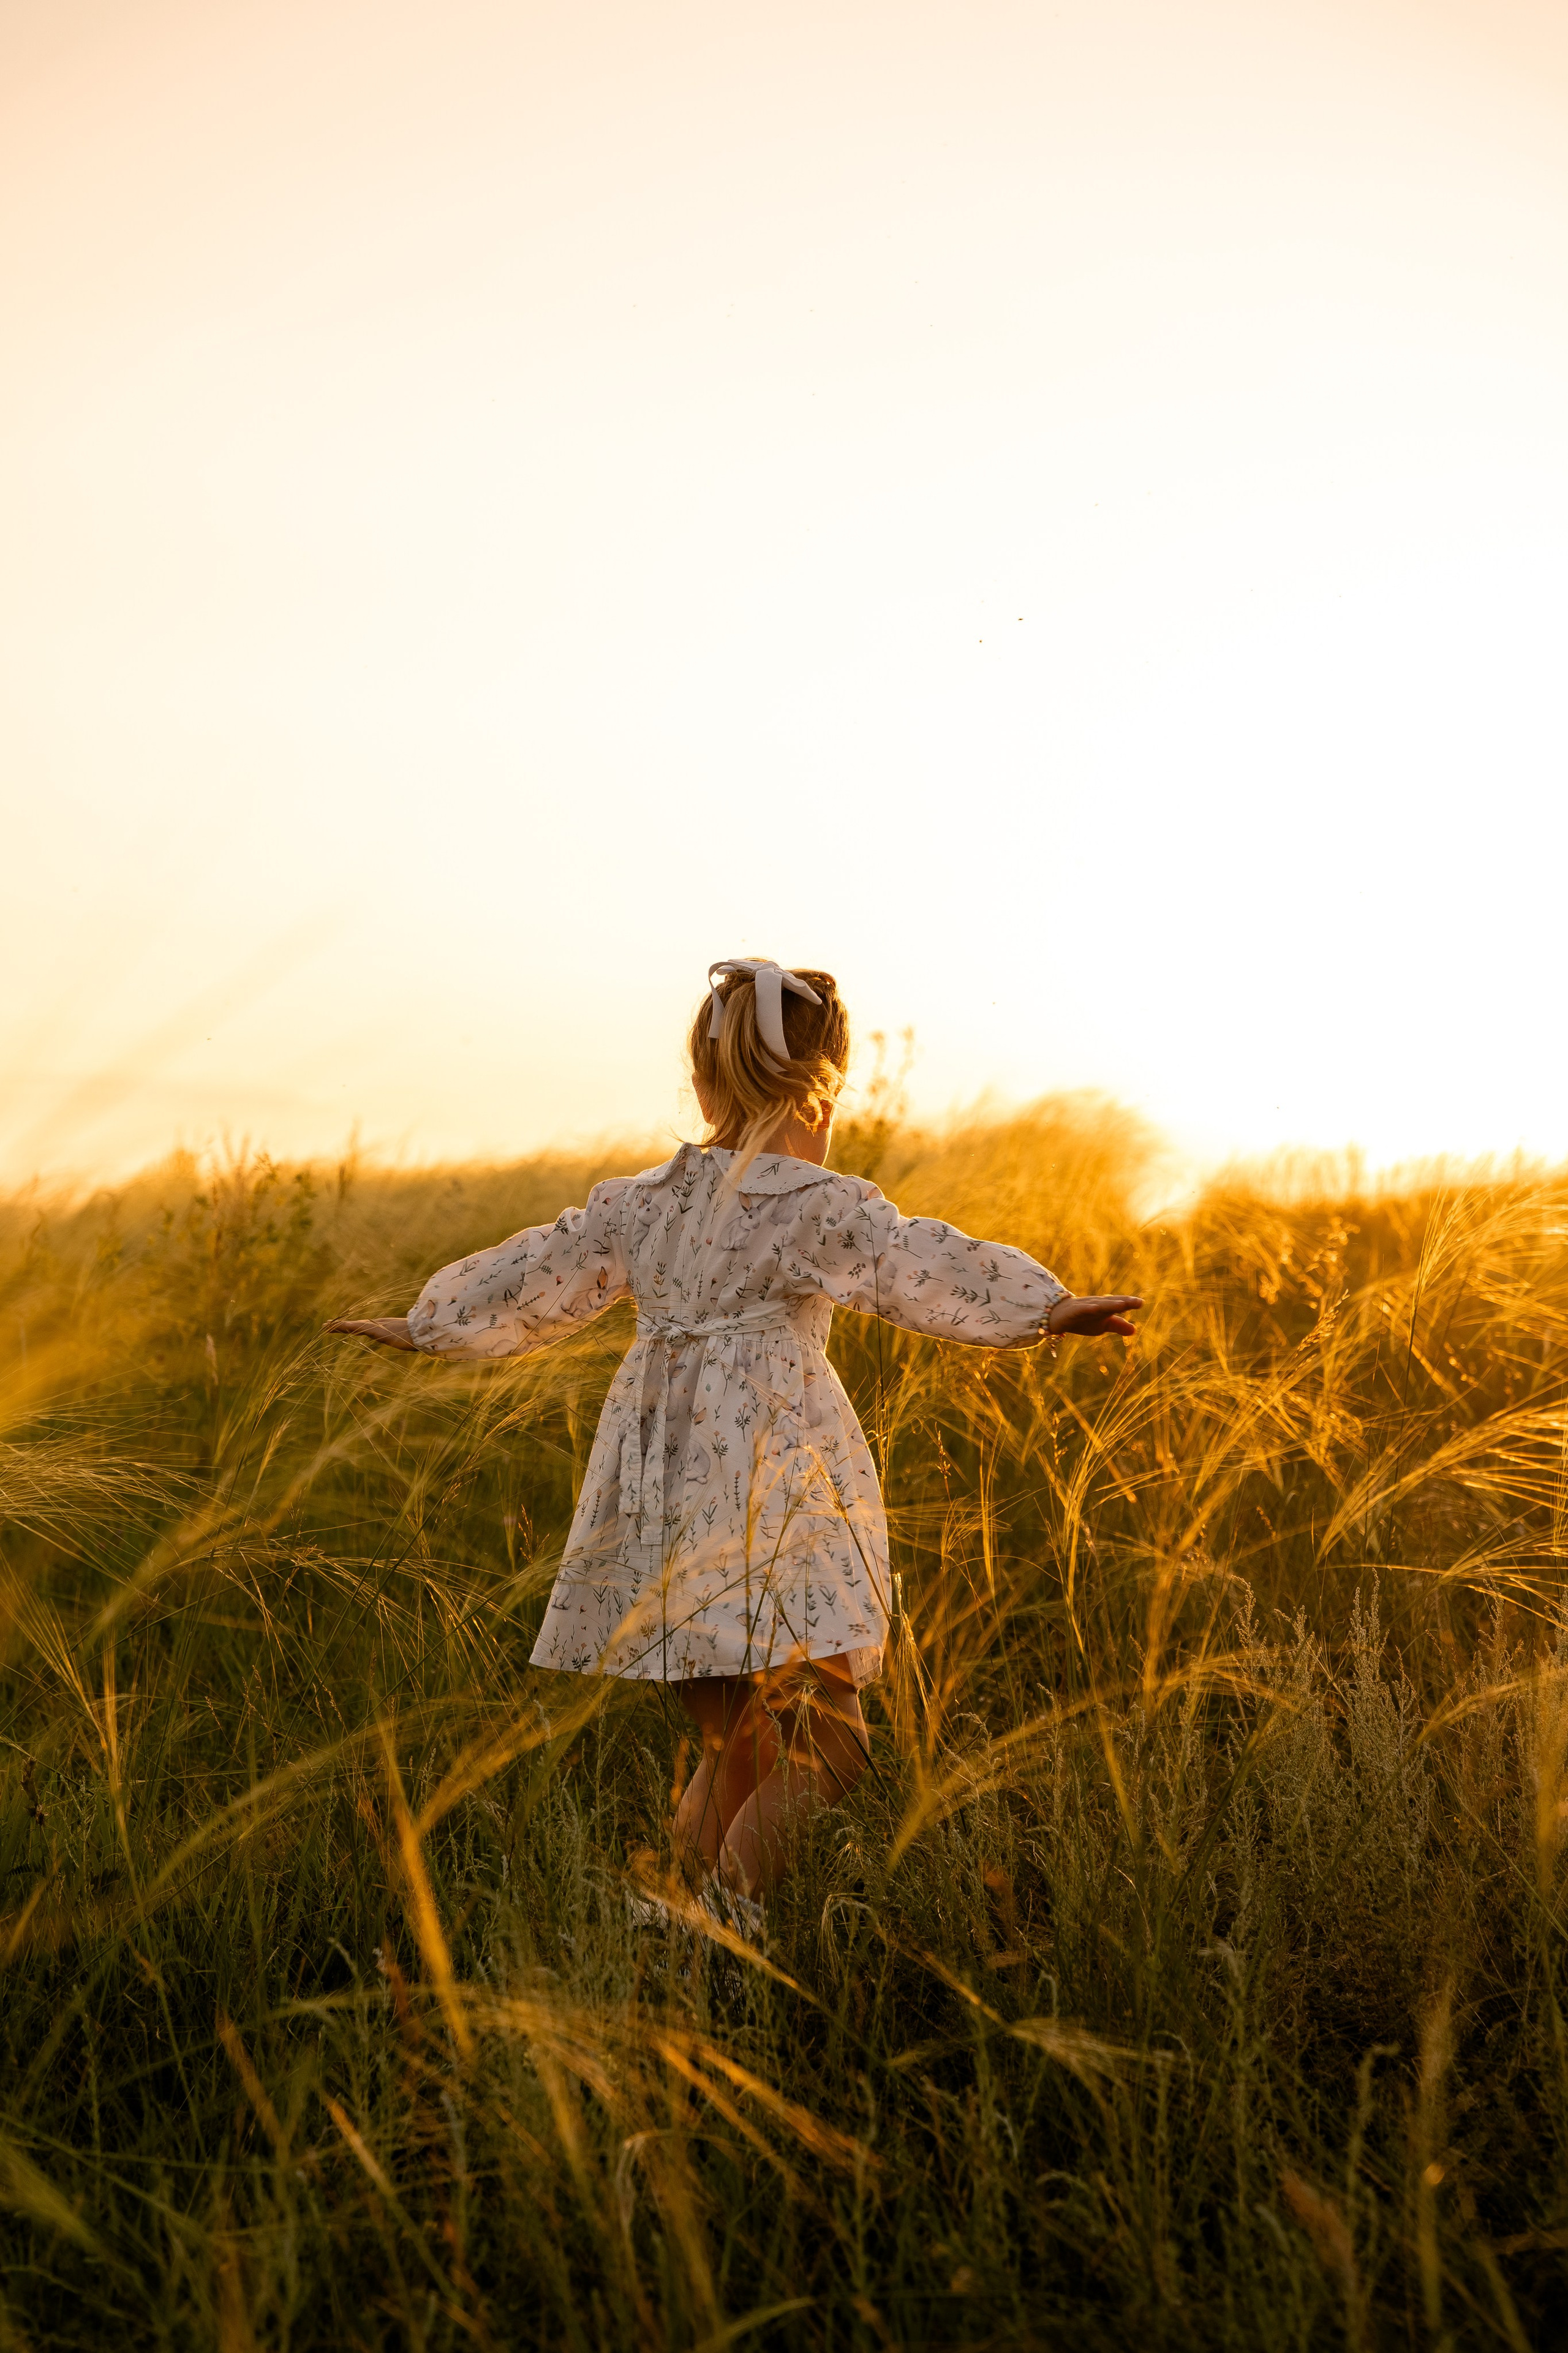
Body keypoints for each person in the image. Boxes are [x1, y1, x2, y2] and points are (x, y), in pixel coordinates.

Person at [327, 958, 1140, 1917]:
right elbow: (913, 1261)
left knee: (739, 1740)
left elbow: (543, 1269)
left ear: (707, 1082)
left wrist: (432, 1323)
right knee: (829, 1742)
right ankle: (720, 1933)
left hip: (655, 1480)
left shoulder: (641, 1202)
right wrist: (1046, 1308)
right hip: (768, 1482)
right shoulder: (813, 1201)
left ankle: (668, 1934)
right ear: (824, 1084)